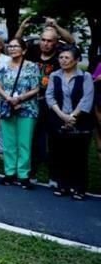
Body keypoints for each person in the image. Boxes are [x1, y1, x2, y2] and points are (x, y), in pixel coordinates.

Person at [16, 17, 73, 183]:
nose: (45, 44)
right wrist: (22, 28)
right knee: (33, 139)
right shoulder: (33, 51)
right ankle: (32, 173)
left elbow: (72, 41)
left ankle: (54, 176)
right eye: (43, 40)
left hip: (54, 104)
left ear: (56, 42)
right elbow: (16, 43)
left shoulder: (60, 54)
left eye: (49, 41)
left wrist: (55, 25)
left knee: (55, 140)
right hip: (34, 102)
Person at [46, 45, 95, 200]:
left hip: (80, 123)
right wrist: (62, 116)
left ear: (76, 60)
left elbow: (87, 98)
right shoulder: (55, 75)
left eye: (67, 58)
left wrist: (72, 116)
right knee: (61, 155)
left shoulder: (85, 76)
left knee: (79, 156)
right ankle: (63, 185)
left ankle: (79, 188)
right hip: (59, 120)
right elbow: (50, 96)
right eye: (61, 57)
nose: (63, 60)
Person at [0, 37, 40, 189]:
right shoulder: (3, 66)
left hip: (27, 108)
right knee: (9, 143)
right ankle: (9, 173)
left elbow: (36, 88)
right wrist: (8, 98)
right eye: (10, 46)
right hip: (7, 107)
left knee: (24, 143)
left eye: (16, 46)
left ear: (24, 50)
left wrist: (20, 98)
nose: (12, 49)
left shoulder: (32, 67)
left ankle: (23, 175)